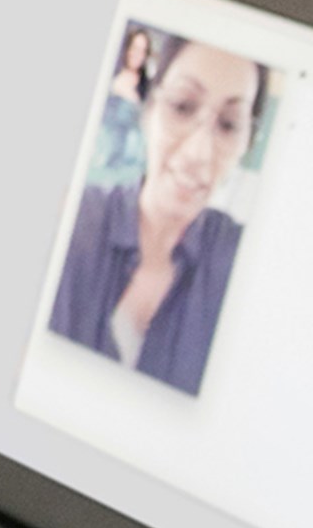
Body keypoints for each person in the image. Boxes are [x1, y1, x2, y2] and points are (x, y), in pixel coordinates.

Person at [46, 33, 267, 397]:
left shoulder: (245, 263)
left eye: (228, 125)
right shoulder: (72, 220)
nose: (199, 152)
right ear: (149, 111)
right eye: (182, 107)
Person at [90, 26, 155, 186]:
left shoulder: (146, 87)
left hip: (129, 158)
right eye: (135, 48)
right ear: (127, 48)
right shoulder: (110, 73)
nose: (137, 54)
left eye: (143, 50)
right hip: (103, 152)